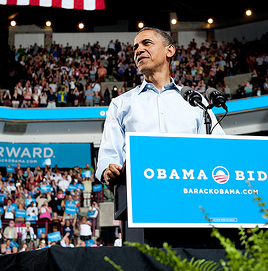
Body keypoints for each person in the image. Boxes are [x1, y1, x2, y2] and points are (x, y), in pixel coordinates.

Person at [96, 27, 225, 244]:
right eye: (135, 47)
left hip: (194, 206)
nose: (138, 50)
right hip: (141, 208)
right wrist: (109, 169)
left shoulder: (196, 102)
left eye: (146, 43)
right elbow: (109, 155)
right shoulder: (121, 104)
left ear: (169, 50)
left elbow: (220, 149)